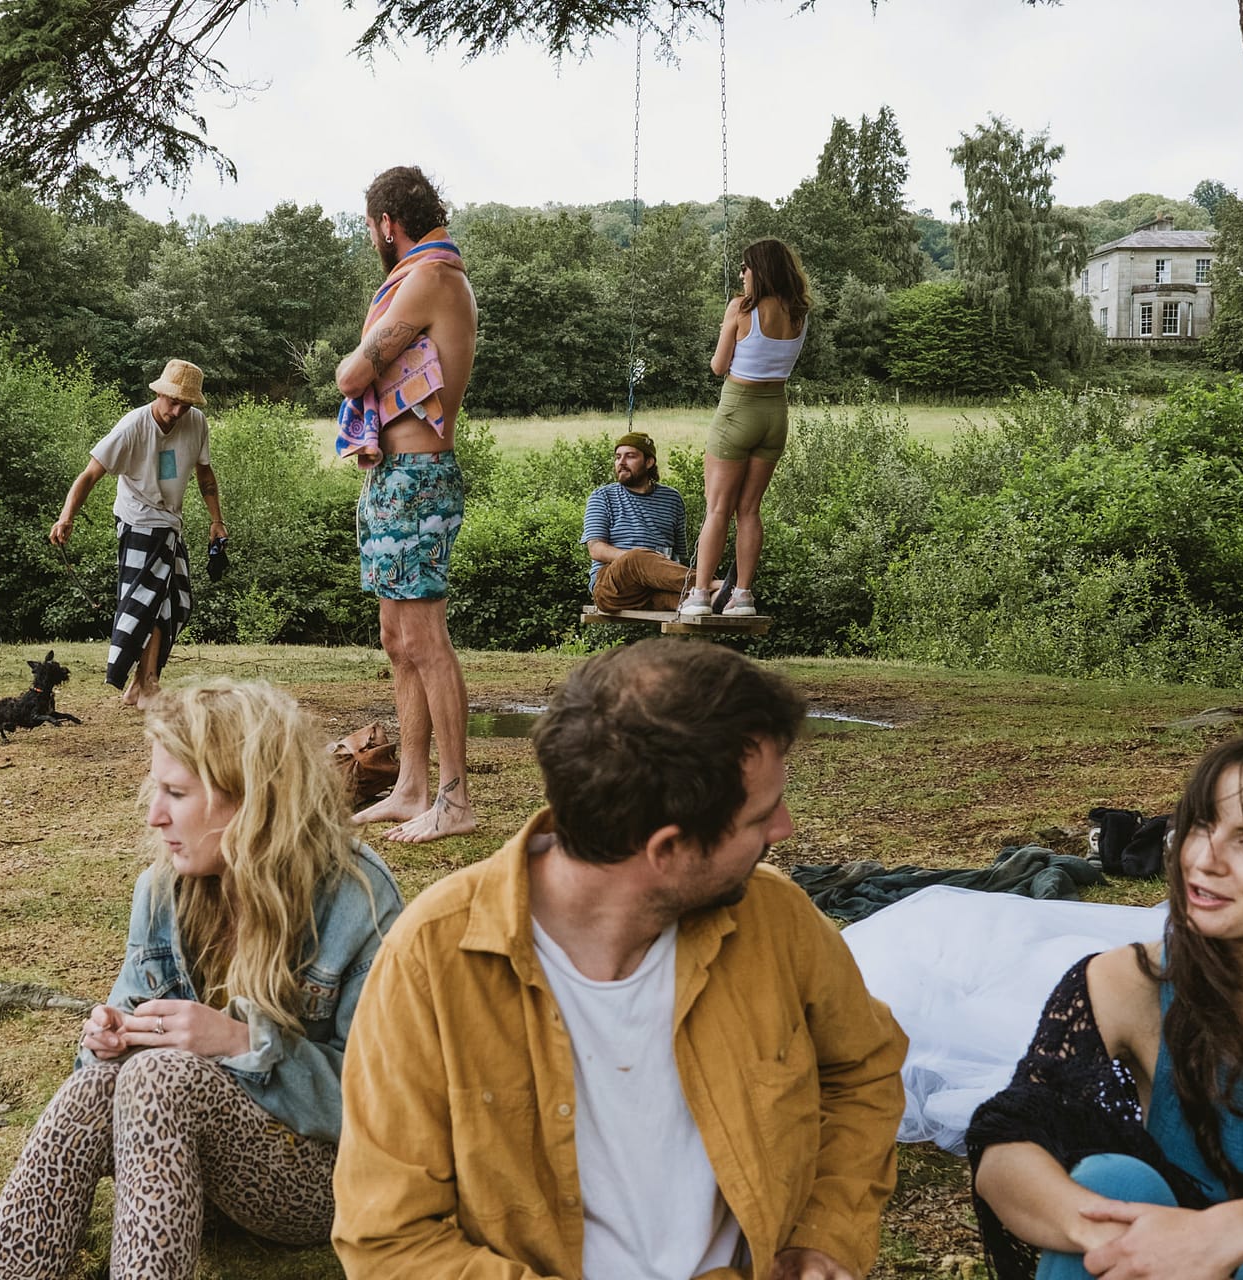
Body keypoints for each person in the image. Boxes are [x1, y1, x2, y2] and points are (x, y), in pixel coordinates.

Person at [333, 640, 908, 1280]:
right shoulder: (431, 961)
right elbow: (389, 1239)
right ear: (666, 850)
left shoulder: (777, 920)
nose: (784, 830)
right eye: (761, 816)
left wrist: (825, 1234)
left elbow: (864, 1068)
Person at [0, 680, 404, 1279]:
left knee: (159, 1077)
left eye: (176, 792)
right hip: (180, 1158)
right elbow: (111, 1057)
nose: (155, 815)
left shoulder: (357, 899)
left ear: (250, 798)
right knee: (94, 1088)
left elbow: (386, 1107)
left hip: (320, 1178)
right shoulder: (163, 888)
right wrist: (108, 1040)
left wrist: (239, 1043)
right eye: (157, 789)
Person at [969, 732, 1243, 1280]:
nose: (1204, 859)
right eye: (1200, 825)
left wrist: (1226, 1234)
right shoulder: (1134, 980)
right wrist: (1111, 1238)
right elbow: (1011, 1144)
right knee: (1110, 1182)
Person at [334, 165, 480, 844]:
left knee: (424, 638)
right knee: (397, 639)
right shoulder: (419, 277)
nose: (374, 238)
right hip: (396, 476)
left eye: (372, 229)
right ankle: (412, 786)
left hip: (420, 476)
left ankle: (455, 799)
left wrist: (361, 358)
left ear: (388, 224)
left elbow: (352, 372)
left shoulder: (428, 278)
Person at [50, 358, 226, 707]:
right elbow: (89, 475)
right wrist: (66, 516)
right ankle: (147, 685)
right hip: (137, 520)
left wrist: (216, 521)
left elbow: (205, 474)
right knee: (147, 602)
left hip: (171, 523)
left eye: (185, 404)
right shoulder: (132, 426)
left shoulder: (196, 423)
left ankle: (140, 684)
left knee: (176, 604)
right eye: (172, 401)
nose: (177, 411)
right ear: (159, 392)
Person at [680, 237, 811, 620]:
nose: (742, 274)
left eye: (745, 267)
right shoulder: (799, 313)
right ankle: (742, 596)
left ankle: (701, 594)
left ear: (760, 270)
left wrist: (726, 326)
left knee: (718, 508)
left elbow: (719, 367)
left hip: (739, 409)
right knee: (750, 510)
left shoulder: (741, 308)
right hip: (776, 413)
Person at [582, 431, 692, 612]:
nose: (621, 462)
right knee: (637, 557)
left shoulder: (672, 499)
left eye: (630, 456)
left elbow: (678, 556)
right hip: (612, 588)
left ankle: (722, 593)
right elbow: (596, 549)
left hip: (654, 587)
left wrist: (656, 567)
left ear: (649, 462)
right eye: (617, 457)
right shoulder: (602, 496)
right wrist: (643, 560)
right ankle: (711, 584)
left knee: (699, 600)